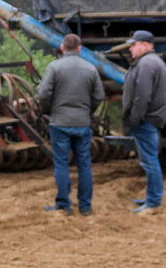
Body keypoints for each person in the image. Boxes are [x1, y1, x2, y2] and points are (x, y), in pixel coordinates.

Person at [38, 33, 105, 216]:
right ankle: (85, 206)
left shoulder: (54, 67)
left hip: (59, 123)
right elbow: (99, 96)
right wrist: (87, 111)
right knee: (84, 165)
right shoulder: (90, 68)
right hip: (82, 123)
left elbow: (43, 94)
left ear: (62, 48)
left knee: (61, 164)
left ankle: (63, 205)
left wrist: (49, 111)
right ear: (79, 49)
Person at [121, 30, 166, 214]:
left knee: (150, 162)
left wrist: (135, 118)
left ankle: (154, 202)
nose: (131, 49)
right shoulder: (151, 62)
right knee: (149, 161)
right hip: (149, 119)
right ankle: (151, 197)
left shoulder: (147, 64)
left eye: (134, 45)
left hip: (145, 120)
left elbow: (142, 96)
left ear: (145, 45)